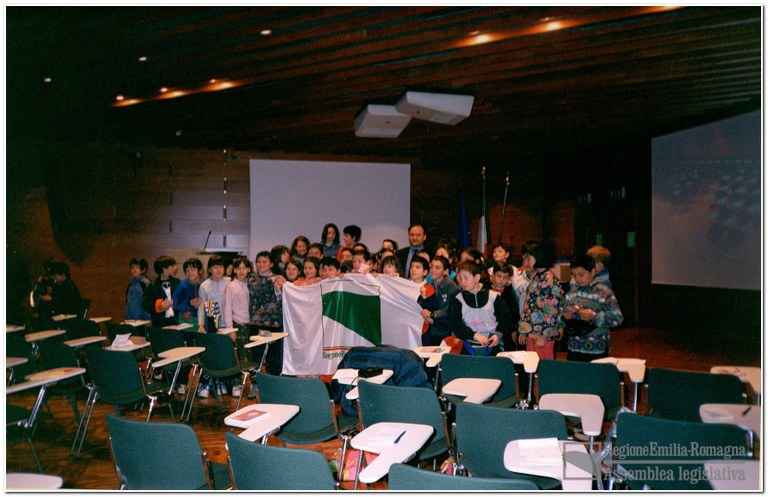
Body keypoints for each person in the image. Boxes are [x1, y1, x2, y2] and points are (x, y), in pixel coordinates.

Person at [560, 254, 623, 361]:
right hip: (574, 347)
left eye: (581, 274)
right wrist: (565, 315)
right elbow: (562, 313)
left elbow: (618, 319)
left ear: (593, 272)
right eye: (574, 275)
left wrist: (594, 316)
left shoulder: (604, 292)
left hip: (597, 349)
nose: (577, 279)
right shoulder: (572, 292)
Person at [447, 260, 514, 355]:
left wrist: (498, 334)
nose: (462, 282)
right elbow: (455, 324)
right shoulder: (458, 299)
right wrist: (473, 335)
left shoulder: (493, 297)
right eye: (460, 279)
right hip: (467, 347)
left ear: (477, 277)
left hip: (492, 346)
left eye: (466, 278)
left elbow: (507, 319)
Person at [517, 241, 563, 360]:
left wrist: (544, 335)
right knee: (531, 364)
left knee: (544, 366)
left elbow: (551, 311)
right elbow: (528, 306)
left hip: (543, 336)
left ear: (539, 256)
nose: (526, 261)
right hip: (532, 333)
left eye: (528, 258)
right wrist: (524, 330)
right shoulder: (536, 278)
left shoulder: (549, 280)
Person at [197, 255, 232, 397]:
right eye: (215, 267)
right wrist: (201, 326)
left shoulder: (229, 282)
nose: (218, 270)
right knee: (209, 355)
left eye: (221, 267)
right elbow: (202, 308)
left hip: (226, 325)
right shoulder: (204, 286)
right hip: (211, 326)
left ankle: (221, 382)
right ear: (210, 269)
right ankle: (205, 383)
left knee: (222, 355)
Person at [248, 251, 286, 380]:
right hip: (257, 324)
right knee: (256, 357)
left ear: (271, 264)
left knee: (274, 358)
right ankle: (254, 384)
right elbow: (258, 287)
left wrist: (279, 286)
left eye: (264, 262)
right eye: (258, 262)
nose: (261, 264)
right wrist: (274, 280)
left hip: (275, 324)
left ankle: (274, 383)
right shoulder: (252, 278)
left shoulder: (279, 278)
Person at [224, 255, 252, 389]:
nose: (241, 271)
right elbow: (227, 308)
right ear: (234, 270)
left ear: (249, 269)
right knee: (237, 357)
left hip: (249, 325)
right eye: (239, 268)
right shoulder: (231, 286)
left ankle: (252, 384)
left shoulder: (250, 285)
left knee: (249, 356)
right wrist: (230, 329)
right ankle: (236, 385)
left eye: (244, 268)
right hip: (237, 325)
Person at [423, 255, 458, 345]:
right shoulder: (430, 285)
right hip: (434, 329)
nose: (433, 270)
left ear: (445, 271)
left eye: (437, 268)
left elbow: (449, 309)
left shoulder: (450, 285)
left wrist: (432, 314)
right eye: (432, 267)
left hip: (446, 330)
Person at [489, 263, 521, 352]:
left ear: (509, 279)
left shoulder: (510, 294)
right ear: (493, 276)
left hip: (506, 332)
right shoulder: (485, 291)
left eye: (505, 277)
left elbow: (515, 314)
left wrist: (513, 330)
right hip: (487, 329)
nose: (501, 280)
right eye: (499, 276)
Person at [141, 256, 180, 328]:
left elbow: (183, 297)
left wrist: (175, 302)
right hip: (159, 323)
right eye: (172, 265)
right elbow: (145, 303)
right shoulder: (153, 285)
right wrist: (160, 305)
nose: (175, 267)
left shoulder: (177, 282)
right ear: (164, 268)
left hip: (176, 321)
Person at [409, 256, 438, 346]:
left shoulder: (430, 289)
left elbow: (433, 308)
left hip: (423, 329)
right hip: (407, 326)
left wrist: (424, 297)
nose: (413, 270)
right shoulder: (405, 285)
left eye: (417, 267)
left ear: (425, 272)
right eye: (412, 267)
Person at [172, 258, 204, 327]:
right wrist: (188, 304)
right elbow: (175, 302)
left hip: (204, 320)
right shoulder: (182, 285)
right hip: (187, 321)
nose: (189, 273)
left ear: (200, 271)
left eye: (193, 269)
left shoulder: (206, 284)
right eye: (187, 270)